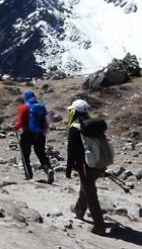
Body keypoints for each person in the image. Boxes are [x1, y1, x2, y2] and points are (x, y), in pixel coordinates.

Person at [65, 99, 106, 236]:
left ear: (74, 112)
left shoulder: (75, 128)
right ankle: (79, 210)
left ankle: (99, 226)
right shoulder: (94, 124)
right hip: (100, 162)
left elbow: (71, 151)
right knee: (86, 187)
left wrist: (68, 169)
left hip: (86, 165)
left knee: (91, 194)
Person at [12, 90, 55, 183]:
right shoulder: (41, 107)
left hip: (27, 134)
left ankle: (29, 175)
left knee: (25, 155)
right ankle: (48, 169)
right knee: (41, 154)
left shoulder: (24, 107)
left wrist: (15, 127)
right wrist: (44, 131)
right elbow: (46, 121)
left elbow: (21, 122)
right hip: (40, 134)